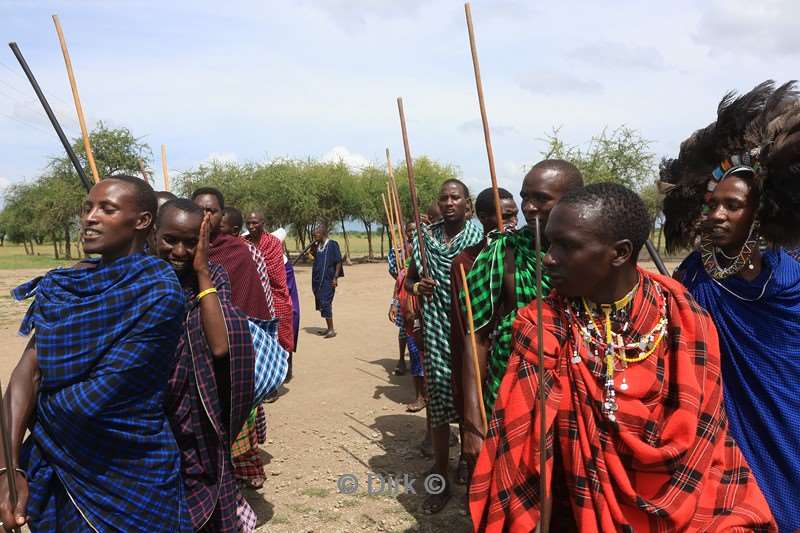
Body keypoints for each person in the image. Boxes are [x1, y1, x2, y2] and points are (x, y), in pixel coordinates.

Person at [470, 182, 775, 531]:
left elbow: (707, 437)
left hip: (689, 503)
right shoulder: (544, 325)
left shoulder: (685, 318)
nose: (548, 257)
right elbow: (524, 455)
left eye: (566, 246)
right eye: (550, 243)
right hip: (578, 506)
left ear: (620, 253)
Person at [0, 176, 191, 532]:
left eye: (107, 208)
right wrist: (9, 470)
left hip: (131, 470)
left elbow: (95, 400)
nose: (89, 217)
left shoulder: (159, 292)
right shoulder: (65, 287)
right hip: (58, 471)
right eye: (87, 207)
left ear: (143, 221)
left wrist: (39, 407)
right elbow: (24, 376)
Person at [662, 81, 800, 532]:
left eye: (733, 206)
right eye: (712, 204)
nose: (717, 215)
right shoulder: (694, 275)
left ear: (759, 211)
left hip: (786, 414)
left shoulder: (788, 277)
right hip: (721, 426)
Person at [460, 161, 583, 481]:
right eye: (525, 197)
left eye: (541, 198)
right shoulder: (504, 251)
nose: (528, 207)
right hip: (511, 387)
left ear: (573, 200)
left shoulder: (594, 251)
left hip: (580, 392)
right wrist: (473, 418)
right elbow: (476, 335)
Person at [157, 199, 259, 532]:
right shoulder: (139, 278)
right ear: (151, 235)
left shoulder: (212, 275)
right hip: (151, 413)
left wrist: (202, 272)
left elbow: (220, 345)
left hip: (194, 413)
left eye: (190, 242)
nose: (180, 251)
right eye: (170, 240)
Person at [404, 178, 483, 514]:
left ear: (467, 202)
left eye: (456, 197)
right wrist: (417, 287)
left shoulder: (481, 238)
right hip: (436, 330)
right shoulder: (424, 241)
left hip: (470, 331)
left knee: (470, 401)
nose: (449, 203)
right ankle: (440, 475)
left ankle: (471, 464)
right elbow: (408, 279)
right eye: (444, 198)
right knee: (437, 403)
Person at [192, 188, 271, 489]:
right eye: (199, 209)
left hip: (233, 347)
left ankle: (244, 471)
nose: (205, 216)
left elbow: (251, 301)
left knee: (235, 411)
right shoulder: (181, 250)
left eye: (211, 210)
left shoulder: (236, 251)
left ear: (221, 215)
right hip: (196, 348)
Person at [449, 187, 518, 487]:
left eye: (515, 215)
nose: (513, 223)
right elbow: (467, 332)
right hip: (487, 366)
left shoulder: (528, 256)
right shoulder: (466, 263)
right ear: (483, 218)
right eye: (506, 216)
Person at [245, 211, 294, 353]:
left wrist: (256, 270)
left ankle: (286, 367)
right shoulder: (242, 243)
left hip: (275, 295)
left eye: (255, 222)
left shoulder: (273, 243)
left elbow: (275, 275)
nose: (251, 226)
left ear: (263, 224)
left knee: (282, 333)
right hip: (251, 297)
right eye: (248, 223)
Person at [311, 224, 343, 338]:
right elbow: (315, 257)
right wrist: (313, 248)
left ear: (322, 233)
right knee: (321, 302)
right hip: (318, 280)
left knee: (326, 302)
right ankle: (328, 328)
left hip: (328, 280)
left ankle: (331, 330)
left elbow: (338, 261)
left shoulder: (332, 244)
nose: (315, 237)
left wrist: (335, 277)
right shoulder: (318, 245)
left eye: (316, 235)